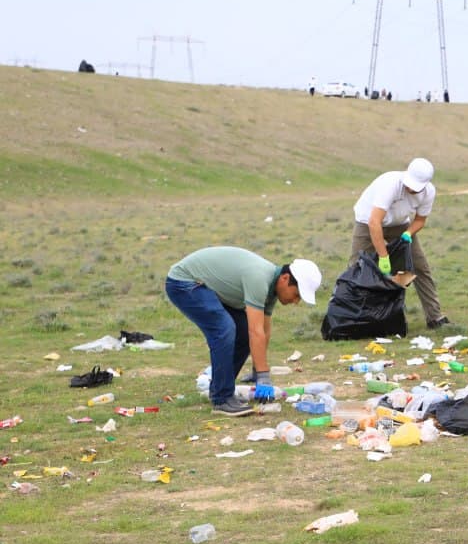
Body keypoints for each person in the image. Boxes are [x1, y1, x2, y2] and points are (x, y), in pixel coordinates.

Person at [165, 248, 321, 416]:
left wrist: (258, 370)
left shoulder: (271, 290)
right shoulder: (260, 279)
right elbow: (256, 331)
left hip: (205, 287)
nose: (296, 301)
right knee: (224, 329)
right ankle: (222, 398)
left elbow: (263, 330)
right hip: (185, 283)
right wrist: (264, 376)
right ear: (285, 278)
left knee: (242, 330)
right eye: (297, 294)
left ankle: (221, 388)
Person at [351, 157, 448, 330]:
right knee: (356, 268)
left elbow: (420, 220)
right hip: (368, 223)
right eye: (410, 184)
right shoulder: (390, 184)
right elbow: (375, 222)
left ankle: (435, 317)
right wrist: (383, 256)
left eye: (416, 187)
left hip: (399, 225)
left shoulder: (429, 192)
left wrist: (408, 233)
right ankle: (349, 317)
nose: (411, 189)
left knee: (420, 266)